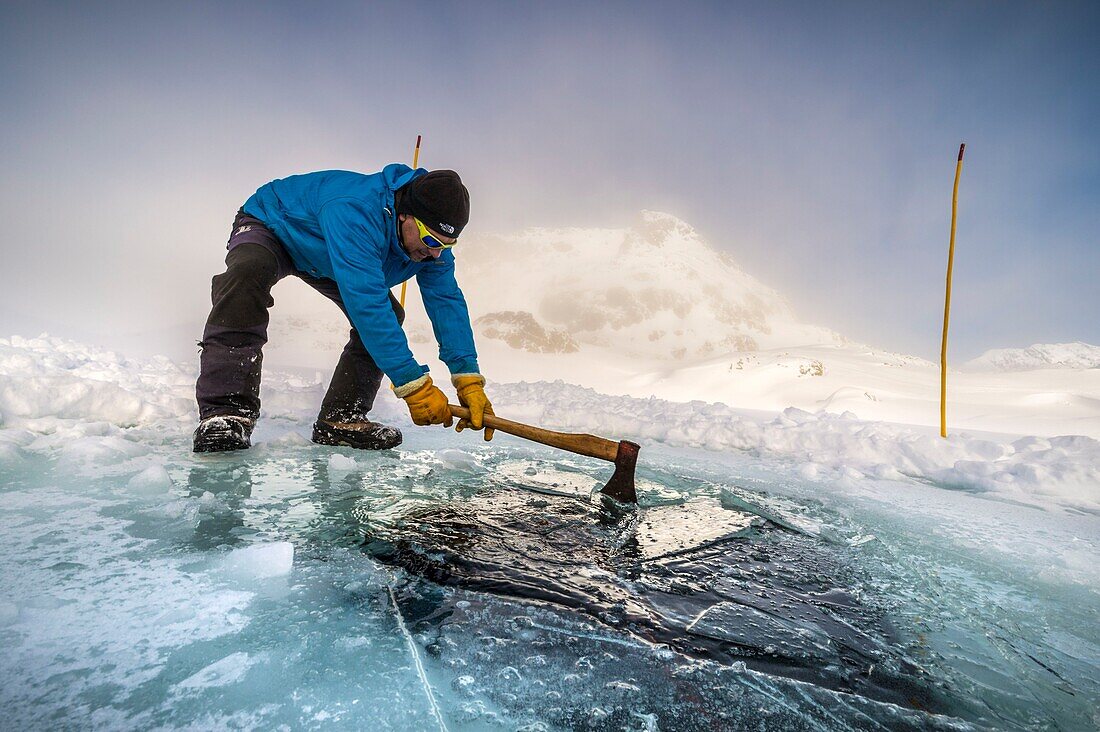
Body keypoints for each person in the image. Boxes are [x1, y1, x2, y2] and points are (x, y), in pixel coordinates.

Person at [192, 164, 494, 453]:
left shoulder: (432, 250)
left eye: (447, 245)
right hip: (275, 225)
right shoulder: (356, 211)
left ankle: (340, 420)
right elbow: (367, 303)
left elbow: (446, 301)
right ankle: (226, 414)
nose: (435, 252)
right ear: (404, 216)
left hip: (326, 255)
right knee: (247, 274)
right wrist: (413, 385)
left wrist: (467, 377)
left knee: (391, 317)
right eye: (430, 239)